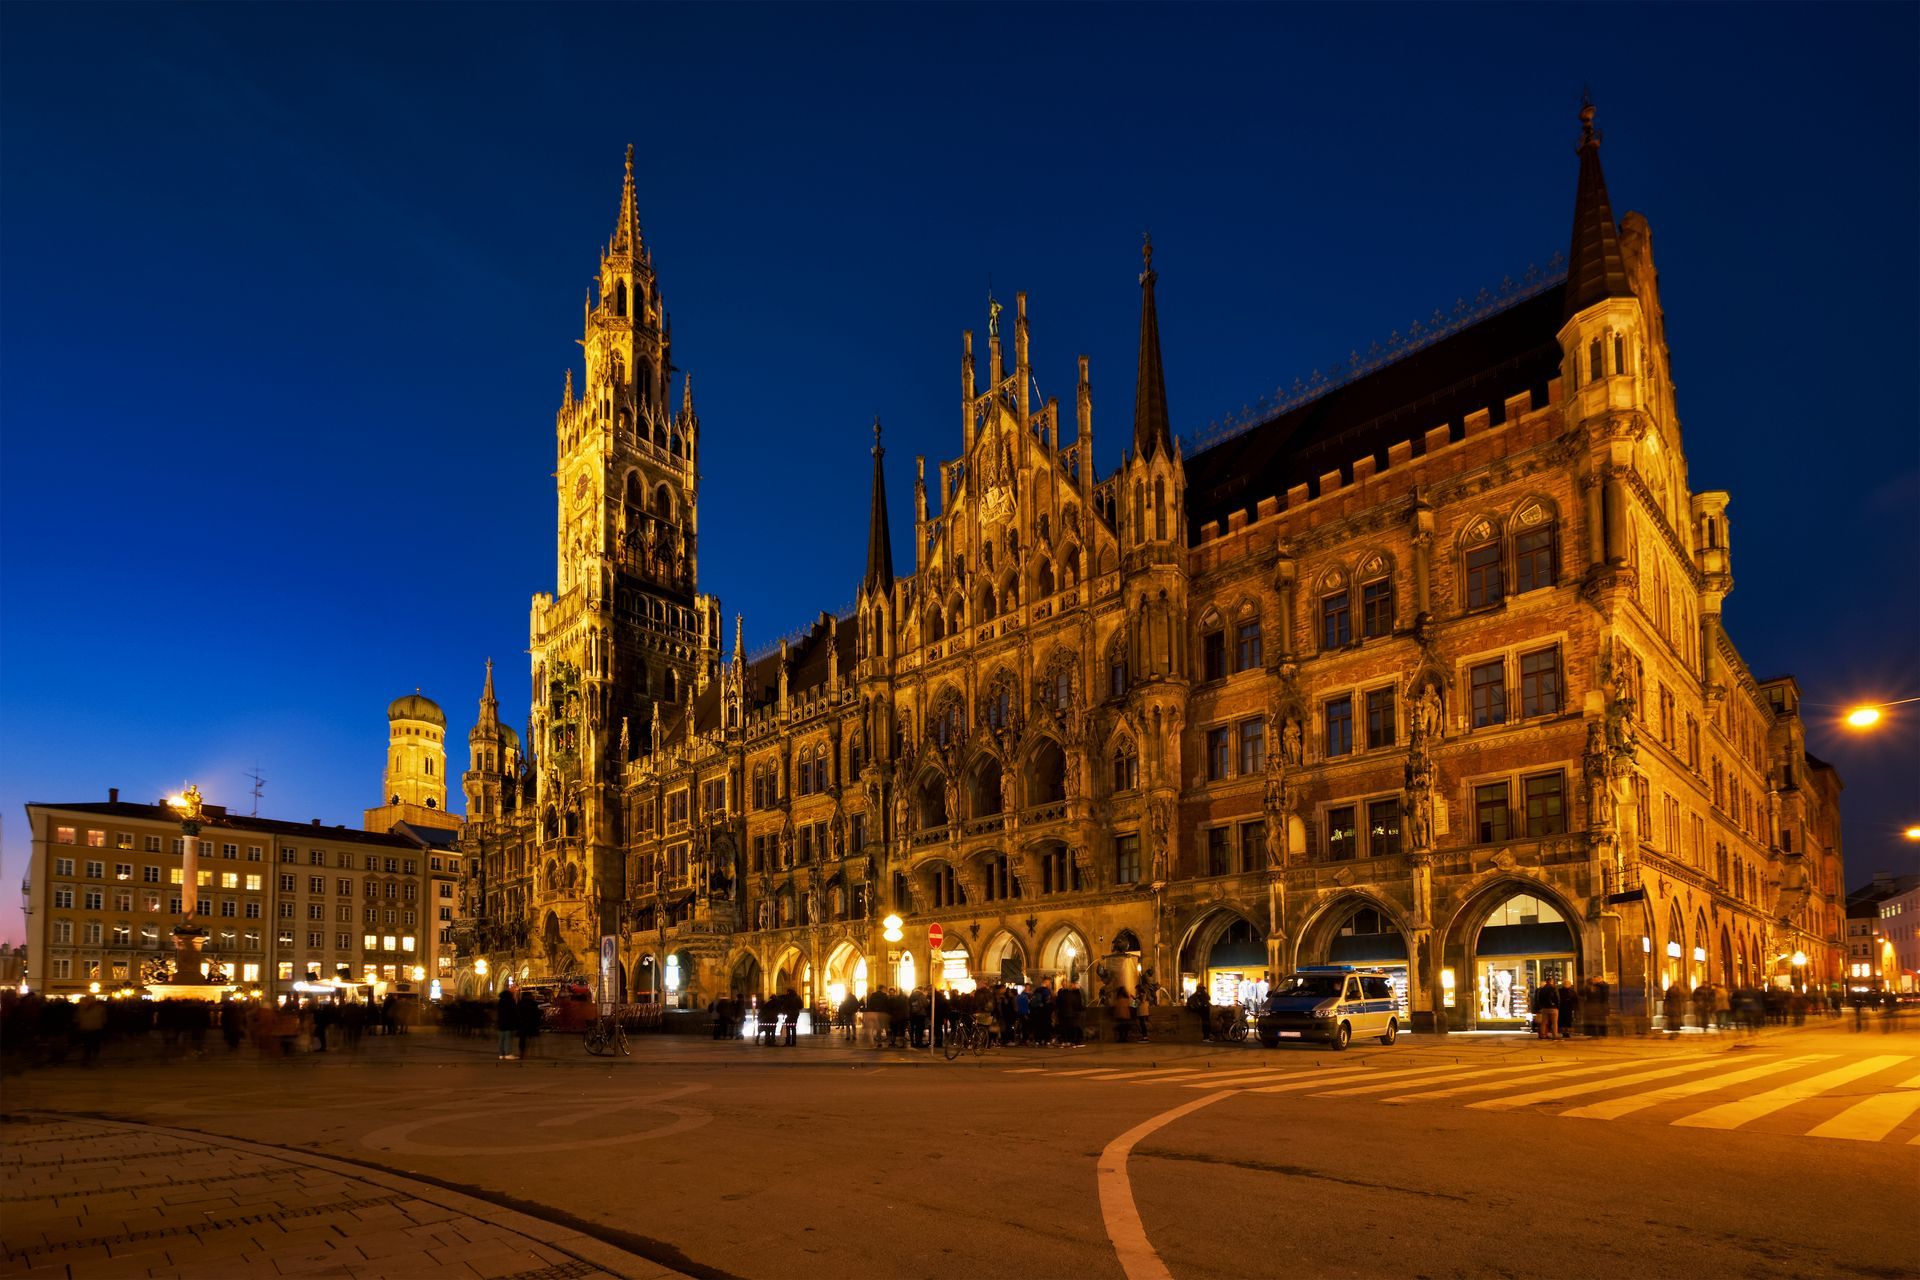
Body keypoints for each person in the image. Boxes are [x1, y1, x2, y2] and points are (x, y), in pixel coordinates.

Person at [516, 987, 542, 1060]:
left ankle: (522, 1053)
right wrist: (538, 1023)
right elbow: (537, 1014)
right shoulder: (533, 1003)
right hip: (531, 1024)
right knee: (531, 1039)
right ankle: (530, 1053)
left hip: (522, 1024)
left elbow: (517, 1014)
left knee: (522, 1040)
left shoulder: (520, 1003)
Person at [497, 986, 518, 1059]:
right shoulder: (510, 1001)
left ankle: (501, 1054)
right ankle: (508, 1053)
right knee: (508, 1039)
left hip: (501, 1023)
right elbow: (513, 1012)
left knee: (501, 1039)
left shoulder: (500, 1001)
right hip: (509, 1023)